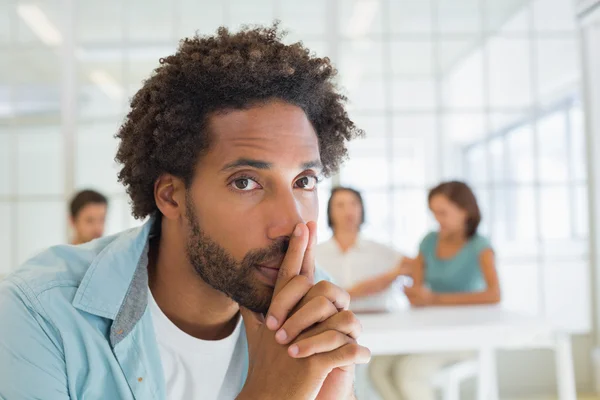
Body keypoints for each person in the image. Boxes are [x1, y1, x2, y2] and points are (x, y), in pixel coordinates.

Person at [0, 25, 371, 400]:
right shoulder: (39, 312)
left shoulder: (312, 308)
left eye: (304, 182)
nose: (290, 225)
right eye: (245, 182)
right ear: (171, 196)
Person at [388, 180, 501, 400]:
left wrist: (434, 299)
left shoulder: (481, 247)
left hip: (466, 337)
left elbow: (494, 295)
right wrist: (414, 294)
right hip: (429, 333)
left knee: (409, 373)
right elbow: (417, 290)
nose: (437, 220)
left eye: (443, 213)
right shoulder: (428, 242)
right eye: (434, 213)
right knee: (378, 369)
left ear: (465, 211)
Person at [315, 186, 409, 312]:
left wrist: (389, 278)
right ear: (329, 212)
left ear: (362, 209)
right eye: (340, 205)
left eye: (353, 204)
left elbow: (415, 266)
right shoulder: (315, 254)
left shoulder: (381, 250)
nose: (348, 211)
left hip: (380, 322)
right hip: (330, 325)